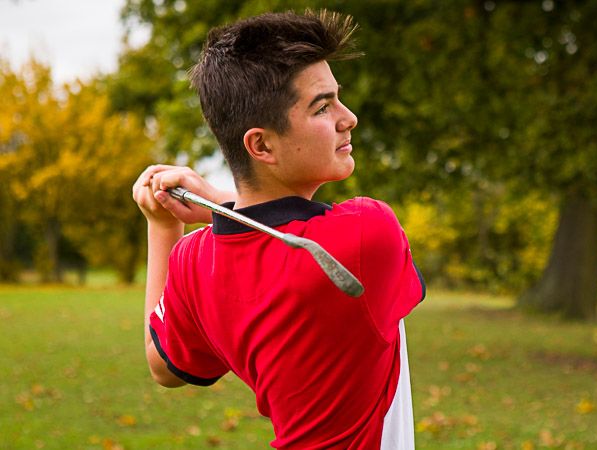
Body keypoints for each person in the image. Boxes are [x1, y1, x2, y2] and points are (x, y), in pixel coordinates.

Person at [131, 10, 425, 449]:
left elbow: (164, 366)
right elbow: (297, 235)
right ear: (261, 144)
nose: (349, 118)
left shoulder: (193, 260)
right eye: (323, 106)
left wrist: (163, 224)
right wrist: (219, 204)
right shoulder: (367, 233)